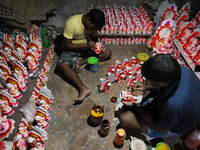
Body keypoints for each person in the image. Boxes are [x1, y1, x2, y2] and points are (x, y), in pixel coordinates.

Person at [118, 54, 200, 140]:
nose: (146, 81)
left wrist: (136, 108)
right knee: (148, 85)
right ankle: (145, 105)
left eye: (149, 79)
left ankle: (144, 126)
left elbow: (160, 129)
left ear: (161, 83)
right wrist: (146, 86)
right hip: (178, 106)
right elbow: (161, 84)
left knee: (125, 119)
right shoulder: (177, 69)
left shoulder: (174, 104)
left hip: (172, 127)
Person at [57, 9, 111, 104]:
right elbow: (67, 45)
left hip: (86, 48)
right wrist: (86, 45)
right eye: (93, 27)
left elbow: (94, 38)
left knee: (107, 53)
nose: (93, 29)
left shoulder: (92, 26)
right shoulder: (71, 23)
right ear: (88, 20)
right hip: (72, 49)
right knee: (62, 66)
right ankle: (83, 89)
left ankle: (81, 61)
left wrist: (96, 45)